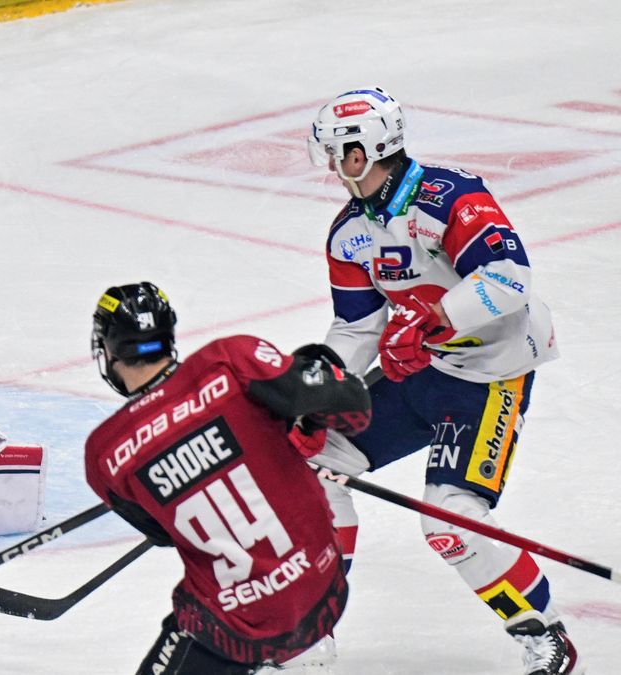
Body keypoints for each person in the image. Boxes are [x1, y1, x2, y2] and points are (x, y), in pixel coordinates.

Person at [306, 87, 579, 674]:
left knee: (449, 518)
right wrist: (313, 389)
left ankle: (544, 634)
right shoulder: (349, 232)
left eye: (340, 153)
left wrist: (436, 318)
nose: (333, 166)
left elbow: (508, 280)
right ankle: (310, 628)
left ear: (367, 150)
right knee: (310, 469)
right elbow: (356, 328)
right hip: (419, 374)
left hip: (488, 377)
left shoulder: (451, 196)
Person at [82, 282, 372, 674]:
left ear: (110, 351)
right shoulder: (230, 361)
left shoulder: (105, 454)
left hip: (233, 630)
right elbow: (353, 405)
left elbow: (164, 533)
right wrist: (302, 408)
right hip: (323, 591)